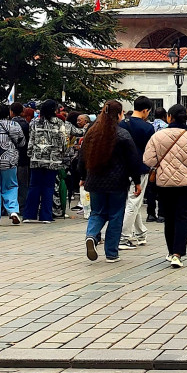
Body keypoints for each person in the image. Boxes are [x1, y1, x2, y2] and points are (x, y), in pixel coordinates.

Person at [77, 100, 143, 262]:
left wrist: (82, 176)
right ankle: (111, 253)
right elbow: (133, 160)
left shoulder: (91, 133)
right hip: (117, 182)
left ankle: (91, 236)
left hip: (95, 180)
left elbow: (82, 158)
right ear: (119, 114)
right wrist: (137, 181)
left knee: (97, 212)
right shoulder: (122, 135)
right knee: (115, 215)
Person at [144, 105, 187, 267]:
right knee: (183, 216)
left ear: (169, 117)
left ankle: (171, 250)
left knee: (169, 217)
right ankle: (178, 254)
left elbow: (148, 160)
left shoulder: (158, 136)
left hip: (164, 183)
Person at [117, 98, 157, 247]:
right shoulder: (148, 128)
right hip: (140, 167)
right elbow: (150, 150)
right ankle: (123, 237)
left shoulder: (122, 124)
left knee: (134, 201)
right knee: (134, 201)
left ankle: (140, 233)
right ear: (146, 110)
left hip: (123, 167)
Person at [24, 100, 70, 224]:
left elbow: (31, 140)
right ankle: (46, 216)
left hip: (36, 158)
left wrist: (30, 154)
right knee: (48, 187)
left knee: (34, 186)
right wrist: (62, 154)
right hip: (53, 159)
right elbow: (64, 141)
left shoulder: (34, 122)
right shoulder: (59, 122)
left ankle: (29, 215)